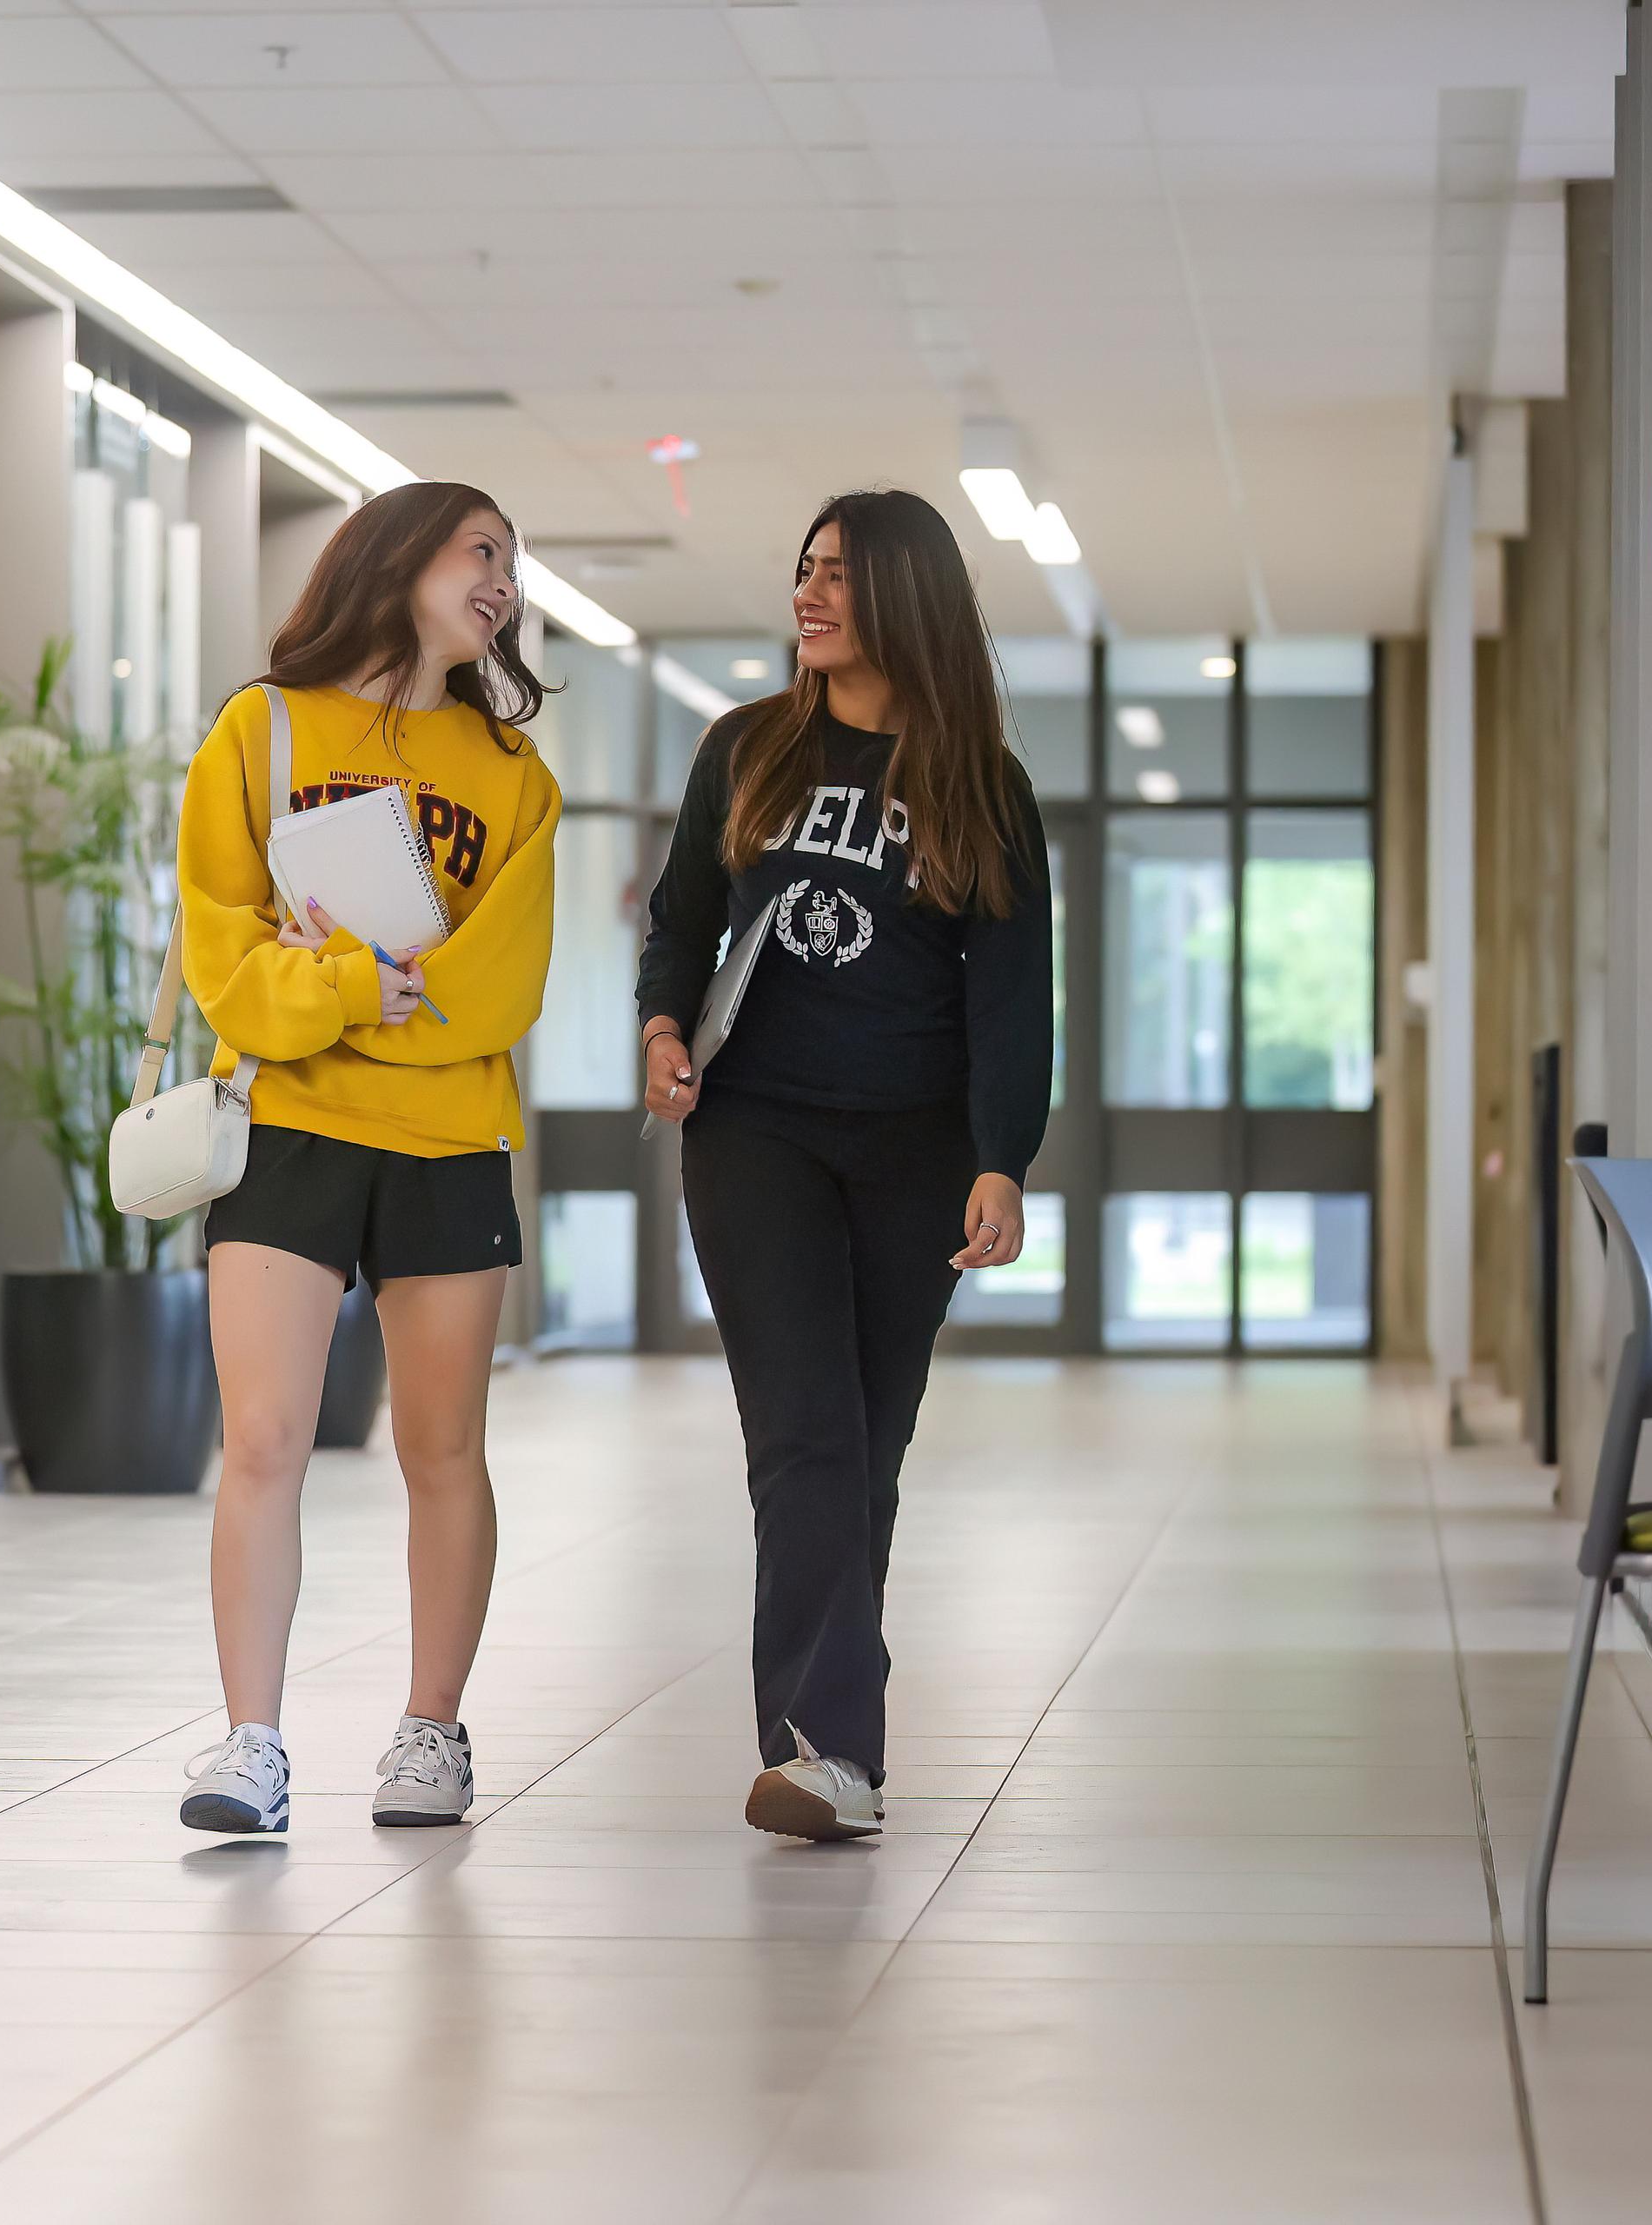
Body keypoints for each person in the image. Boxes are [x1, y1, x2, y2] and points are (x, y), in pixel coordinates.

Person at [634, 489, 1052, 1843]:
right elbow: (682, 921)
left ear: (908, 601)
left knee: (864, 1452)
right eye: (803, 569)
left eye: (841, 578)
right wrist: (657, 1027)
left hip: (914, 1151)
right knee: (806, 1433)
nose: (809, 596)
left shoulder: (980, 783)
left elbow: (1013, 996)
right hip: (755, 1132)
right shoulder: (747, 749)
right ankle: (827, 1749)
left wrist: (1005, 1160)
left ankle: (833, 1745)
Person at [171, 482, 561, 1838]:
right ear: (399, 560)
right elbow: (222, 954)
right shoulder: (263, 728)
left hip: (450, 1137)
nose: (503, 579)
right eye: (481, 551)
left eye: (512, 561)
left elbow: (499, 989)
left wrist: (353, 998)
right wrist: (350, 993)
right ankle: (249, 1743)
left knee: (444, 1448)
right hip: (286, 1124)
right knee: (265, 1439)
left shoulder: (515, 779)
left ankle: (431, 1734)